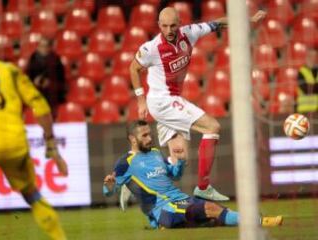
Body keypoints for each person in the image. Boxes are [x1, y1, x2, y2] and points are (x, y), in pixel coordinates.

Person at [129, 7, 267, 201]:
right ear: (159, 25)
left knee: (179, 163)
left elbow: (217, 24)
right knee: (212, 127)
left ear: (180, 24)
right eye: (165, 26)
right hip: (162, 101)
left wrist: (248, 20)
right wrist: (140, 99)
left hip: (170, 101)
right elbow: (133, 68)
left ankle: (137, 177)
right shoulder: (151, 48)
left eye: (173, 26)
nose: (169, 31)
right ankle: (203, 186)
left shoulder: (189, 33)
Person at [0, 25, 68, 240]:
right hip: (14, 142)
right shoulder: (8, 70)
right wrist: (51, 145)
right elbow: (40, 106)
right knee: (32, 194)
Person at [103, 120, 283, 229]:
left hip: (181, 199)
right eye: (144, 136)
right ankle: (261, 221)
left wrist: (180, 161)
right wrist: (109, 185)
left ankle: (166, 225)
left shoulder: (156, 152)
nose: (150, 138)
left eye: (150, 134)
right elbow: (109, 193)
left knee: (213, 213)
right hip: (165, 208)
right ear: (133, 139)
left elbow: (174, 175)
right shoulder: (125, 163)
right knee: (212, 211)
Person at [26, 37, 67, 119]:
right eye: (41, 46)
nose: (43, 48)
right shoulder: (32, 59)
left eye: (45, 46)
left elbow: (61, 80)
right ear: (37, 47)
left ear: (49, 47)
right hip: (37, 91)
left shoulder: (56, 59)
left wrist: (50, 83)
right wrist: (35, 82)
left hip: (53, 94)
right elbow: (28, 78)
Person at [297, 48, 318, 113]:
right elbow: (305, 89)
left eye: (315, 56)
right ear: (307, 57)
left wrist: (312, 86)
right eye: (311, 56)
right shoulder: (301, 71)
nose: (313, 59)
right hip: (304, 110)